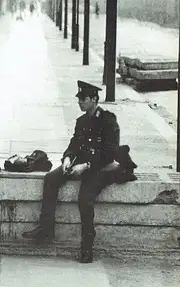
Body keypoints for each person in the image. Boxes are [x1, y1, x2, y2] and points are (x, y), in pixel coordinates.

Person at [22, 81, 121, 264]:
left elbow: (110, 153)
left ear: (93, 99)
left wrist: (87, 165)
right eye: (79, 99)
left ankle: (87, 246)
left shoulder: (108, 120)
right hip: (78, 163)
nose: (80, 103)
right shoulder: (81, 121)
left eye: (83, 99)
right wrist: (67, 159)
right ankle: (46, 228)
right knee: (51, 178)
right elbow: (74, 144)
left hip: (98, 169)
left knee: (85, 198)